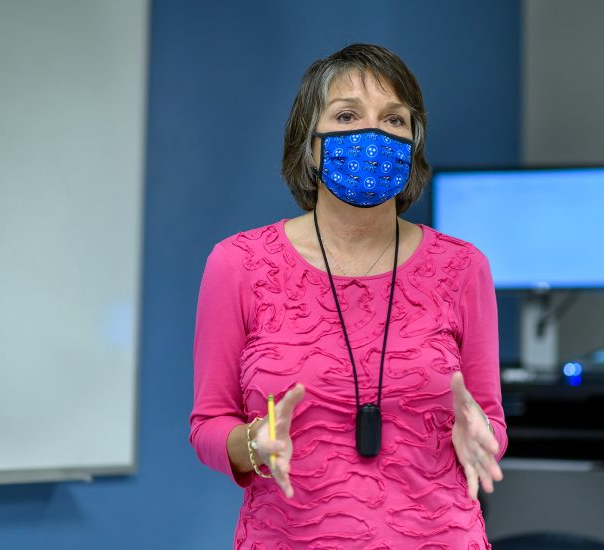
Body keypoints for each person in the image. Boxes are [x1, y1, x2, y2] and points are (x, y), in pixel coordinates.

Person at [190, 43, 507, 549]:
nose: (373, 135)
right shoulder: (238, 264)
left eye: (394, 119)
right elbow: (208, 425)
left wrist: (484, 436)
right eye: (347, 116)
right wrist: (252, 444)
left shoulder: (464, 267)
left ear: (413, 143)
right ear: (310, 144)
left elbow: (489, 418)